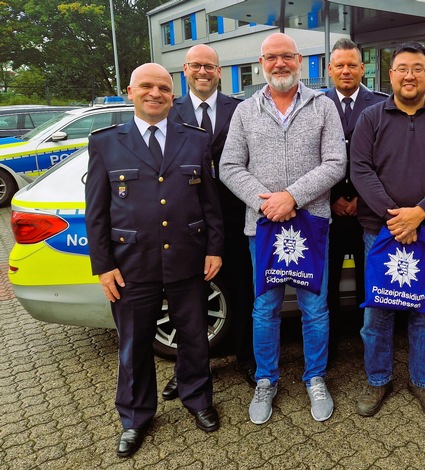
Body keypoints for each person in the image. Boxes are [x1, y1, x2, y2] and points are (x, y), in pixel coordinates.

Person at [85, 63, 224, 458]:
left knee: (194, 337)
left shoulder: (195, 140)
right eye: (146, 86)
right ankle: (135, 418)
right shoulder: (106, 142)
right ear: (130, 91)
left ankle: (198, 400)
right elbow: (96, 211)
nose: (155, 94)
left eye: (163, 88)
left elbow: (209, 201)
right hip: (131, 264)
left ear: (172, 94)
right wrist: (103, 265)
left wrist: (215, 248)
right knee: (133, 344)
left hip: (188, 257)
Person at [219, 32, 346, 425]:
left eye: (286, 57)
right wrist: (267, 201)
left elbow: (335, 162)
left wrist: (290, 196)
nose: (279, 64)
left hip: (311, 225)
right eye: (271, 58)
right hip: (263, 228)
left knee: (314, 307)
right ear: (261, 63)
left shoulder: (323, 106)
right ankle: (266, 379)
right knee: (265, 308)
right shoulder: (244, 111)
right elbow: (229, 167)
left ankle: (315, 377)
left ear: (301, 61)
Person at [350, 41, 425, 418]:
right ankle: (378, 379)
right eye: (402, 68)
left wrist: (419, 213)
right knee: (377, 315)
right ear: (391, 74)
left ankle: (423, 381)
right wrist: (396, 218)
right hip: (380, 234)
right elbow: (361, 170)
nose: (410, 75)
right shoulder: (371, 117)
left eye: (417, 68)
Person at [160, 44, 256, 403]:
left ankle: (248, 359)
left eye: (210, 67)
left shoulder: (241, 109)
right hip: (186, 223)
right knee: (188, 302)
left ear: (219, 71)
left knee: (244, 292)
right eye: (196, 66)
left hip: (234, 218)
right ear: (185, 70)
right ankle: (188, 370)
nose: (203, 72)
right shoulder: (169, 110)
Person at [325, 38, 388, 362]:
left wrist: (361, 201)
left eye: (352, 65)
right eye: (340, 65)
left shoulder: (380, 104)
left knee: (370, 283)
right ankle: (331, 346)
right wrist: (334, 198)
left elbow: (386, 161)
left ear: (363, 68)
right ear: (329, 69)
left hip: (368, 212)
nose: (346, 70)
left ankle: (371, 349)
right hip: (328, 213)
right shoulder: (316, 105)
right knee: (326, 284)